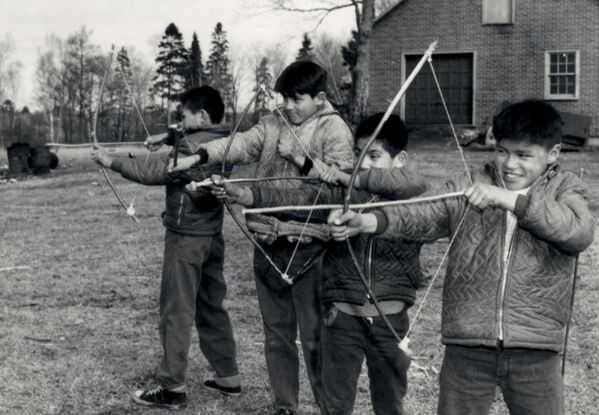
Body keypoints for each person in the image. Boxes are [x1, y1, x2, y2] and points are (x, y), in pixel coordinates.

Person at [328, 99, 595, 415]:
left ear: (553, 154)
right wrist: (368, 221)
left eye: (523, 155)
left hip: (536, 347)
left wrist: (511, 200)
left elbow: (577, 231)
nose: (510, 164)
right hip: (467, 343)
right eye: (502, 151)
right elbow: (425, 214)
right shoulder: (472, 183)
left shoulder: (566, 188)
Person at [211, 113, 429, 415]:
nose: (362, 163)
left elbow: (413, 186)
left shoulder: (413, 196)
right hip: (341, 319)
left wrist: (358, 199)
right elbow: (299, 196)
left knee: (390, 402)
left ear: (400, 159)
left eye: (374, 155)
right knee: (334, 404)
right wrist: (247, 194)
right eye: (358, 153)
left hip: (389, 321)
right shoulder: (342, 193)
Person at [170, 60, 354, 415]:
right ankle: (285, 405)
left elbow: (340, 188)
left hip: (311, 245)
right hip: (268, 241)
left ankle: (329, 407)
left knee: (316, 337)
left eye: (296, 99)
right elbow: (240, 144)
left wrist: (302, 160)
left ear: (319, 98)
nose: (287, 105)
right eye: (284, 97)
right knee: (276, 334)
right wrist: (200, 156)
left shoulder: (335, 130)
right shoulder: (273, 123)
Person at [91, 86, 241, 410]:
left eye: (183, 115)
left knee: (176, 311)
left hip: (185, 238)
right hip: (212, 238)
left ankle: (171, 387)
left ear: (201, 116)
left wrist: (110, 161)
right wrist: (169, 136)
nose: (179, 120)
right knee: (211, 306)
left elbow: (154, 170)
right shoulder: (223, 142)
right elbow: (188, 141)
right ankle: (228, 377)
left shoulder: (189, 145)